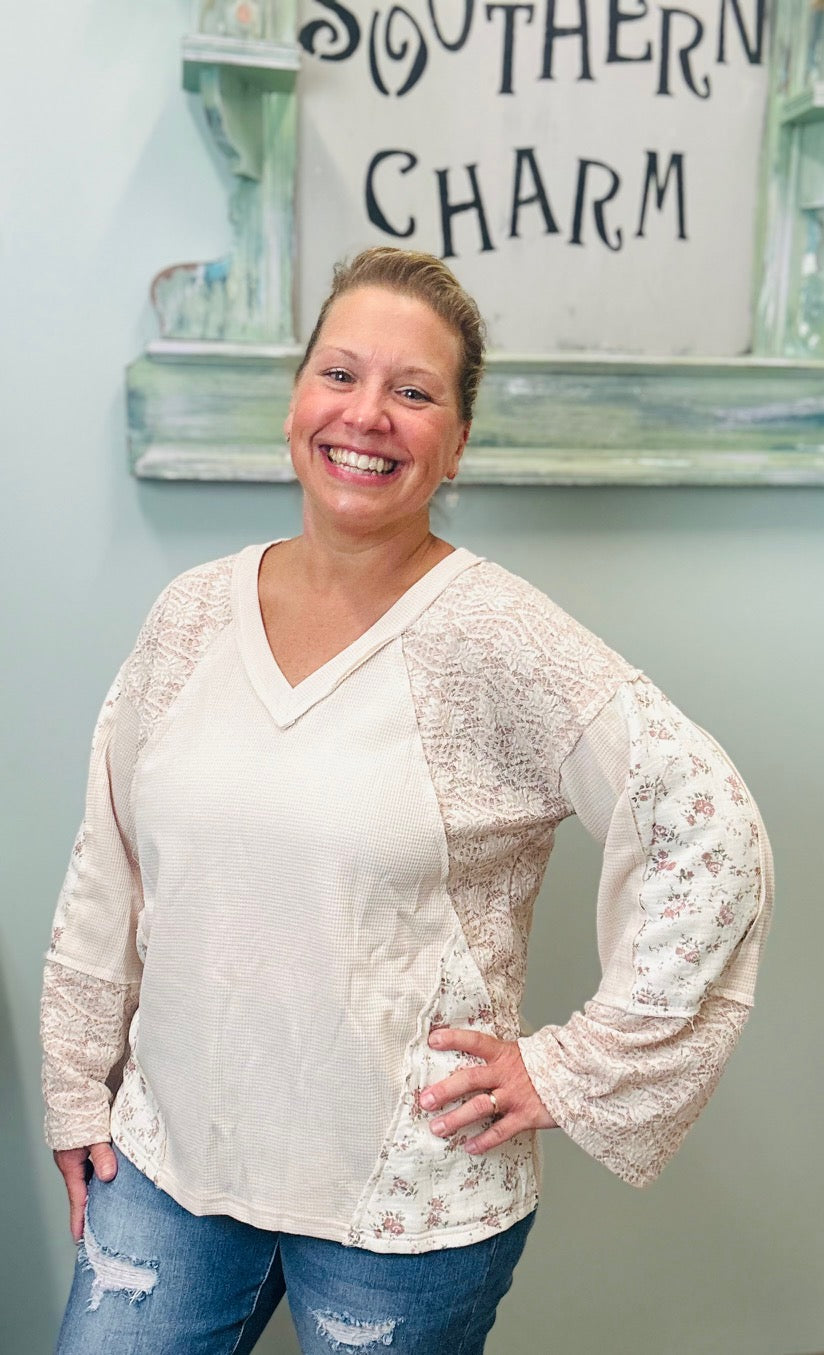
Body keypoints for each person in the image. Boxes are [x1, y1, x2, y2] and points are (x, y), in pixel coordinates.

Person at [41, 247, 772, 1355]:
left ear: (457, 440)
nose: (366, 414)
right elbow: (112, 865)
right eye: (339, 374)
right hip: (168, 1156)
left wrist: (571, 1066)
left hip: (399, 1202)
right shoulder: (189, 614)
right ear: (297, 396)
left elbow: (706, 826)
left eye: (413, 391)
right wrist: (74, 1085)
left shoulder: (499, 637)